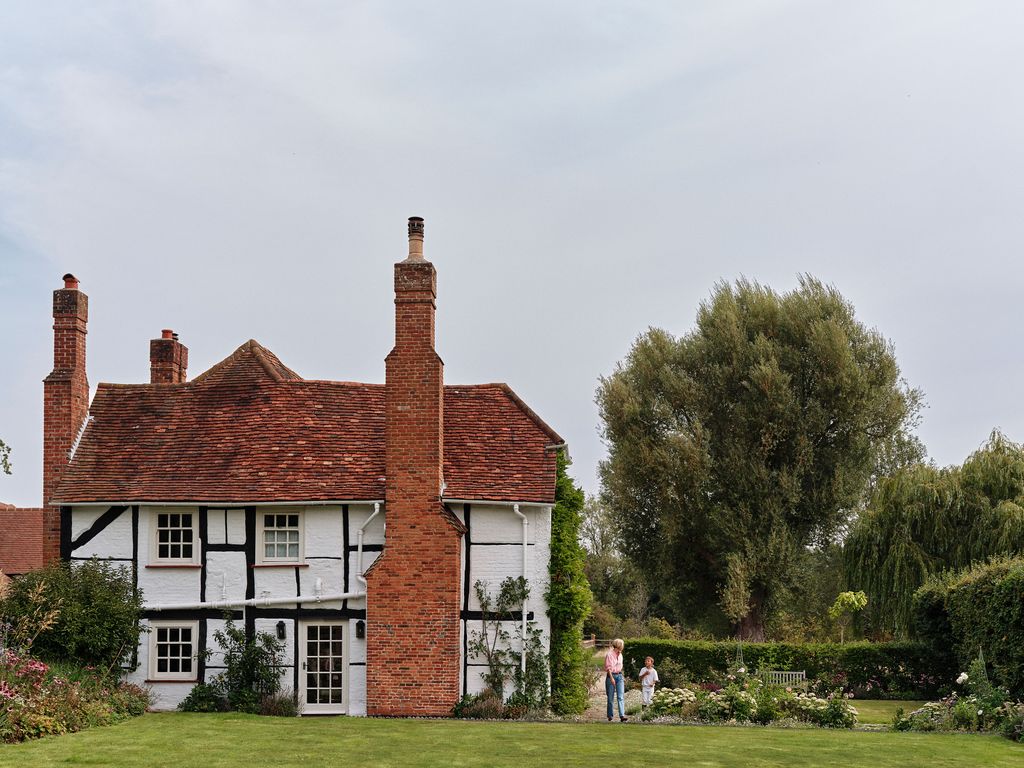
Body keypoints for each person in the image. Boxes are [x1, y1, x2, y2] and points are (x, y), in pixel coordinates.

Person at [604, 638, 628, 722]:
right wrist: (611, 678)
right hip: (611, 676)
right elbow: (608, 668)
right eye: (622, 645)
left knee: (620, 697)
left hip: (619, 676)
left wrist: (622, 677)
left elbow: (620, 666)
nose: (623, 647)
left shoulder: (620, 655)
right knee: (610, 698)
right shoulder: (609, 654)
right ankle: (610, 715)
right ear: (618, 645)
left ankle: (622, 715)